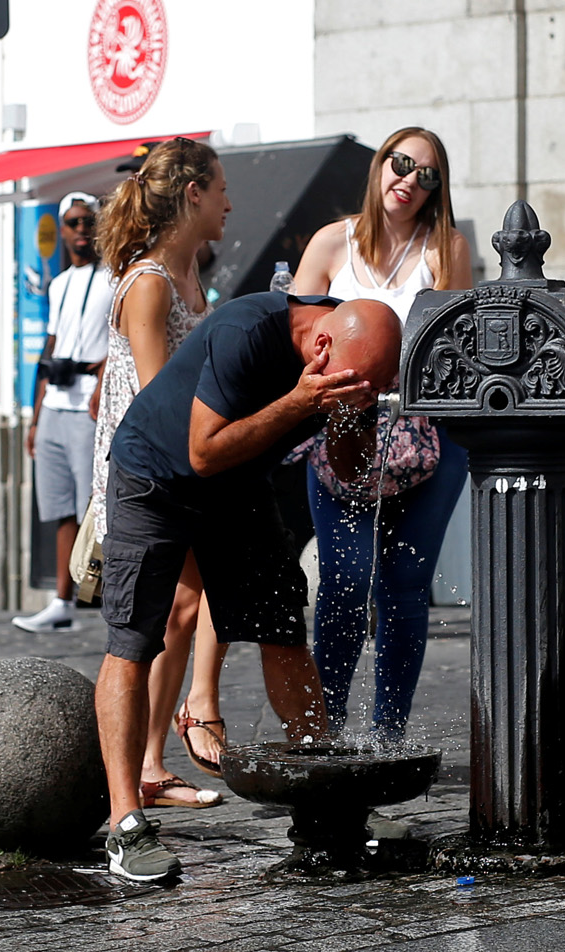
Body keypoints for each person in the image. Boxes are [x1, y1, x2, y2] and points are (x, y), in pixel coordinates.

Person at [96, 290, 400, 882]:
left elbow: (351, 468)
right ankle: (125, 823)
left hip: (237, 485)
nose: (365, 394)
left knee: (283, 631)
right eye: (359, 385)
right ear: (321, 346)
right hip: (155, 475)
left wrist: (343, 416)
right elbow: (203, 453)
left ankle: (325, 799)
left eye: (374, 390)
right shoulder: (248, 331)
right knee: (134, 639)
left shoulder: (354, 355)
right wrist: (299, 402)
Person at [291, 128, 472, 739]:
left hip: (426, 434)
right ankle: (328, 727)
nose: (410, 181)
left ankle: (389, 732)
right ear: (379, 166)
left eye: (428, 175)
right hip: (342, 428)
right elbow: (295, 334)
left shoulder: (445, 247)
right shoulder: (330, 243)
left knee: (405, 582)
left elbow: (458, 349)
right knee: (344, 578)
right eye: (402, 164)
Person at [92, 138, 229, 812]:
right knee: (151, 620)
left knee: (183, 610)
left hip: (185, 463)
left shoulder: (192, 277)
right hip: (149, 473)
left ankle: (151, 762)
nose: (231, 202)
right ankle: (141, 769)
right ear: (194, 194)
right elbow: (156, 398)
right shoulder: (147, 285)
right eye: (222, 189)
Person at [12, 192, 112, 633]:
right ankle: (61, 601)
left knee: (97, 506)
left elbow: (123, 342)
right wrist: (34, 419)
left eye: (87, 221)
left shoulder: (114, 278)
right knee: (59, 510)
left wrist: (101, 375)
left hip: (89, 405)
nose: (79, 230)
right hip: (54, 405)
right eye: (72, 222)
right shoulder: (58, 284)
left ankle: (111, 597)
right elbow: (48, 350)